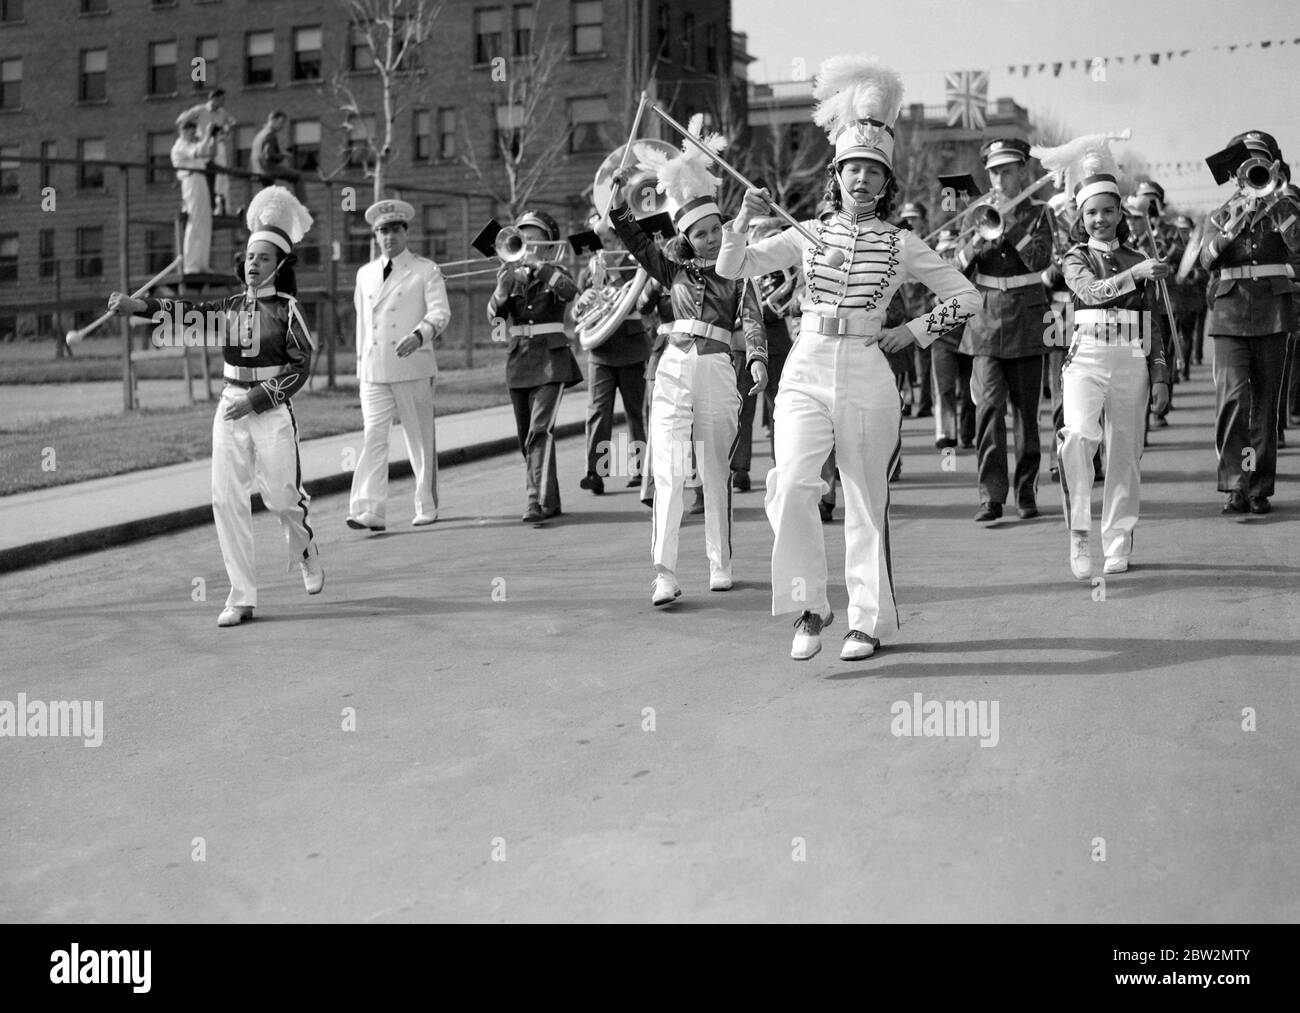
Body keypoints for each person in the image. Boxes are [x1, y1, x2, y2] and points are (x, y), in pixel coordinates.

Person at [720, 56, 980, 661]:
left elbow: (965, 295)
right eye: (851, 170)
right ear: (834, 177)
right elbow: (733, 269)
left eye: (872, 172)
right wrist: (742, 217)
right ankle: (810, 605)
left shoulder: (900, 242)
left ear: (885, 184)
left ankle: (868, 619)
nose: (861, 180)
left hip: (867, 365)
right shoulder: (803, 233)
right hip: (806, 363)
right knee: (790, 485)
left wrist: (912, 331)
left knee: (865, 497)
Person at [107, 187, 322, 627]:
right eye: (248, 257)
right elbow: (184, 313)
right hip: (229, 407)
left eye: (262, 258)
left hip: (271, 411)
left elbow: (301, 367)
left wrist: (257, 399)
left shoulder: (288, 310)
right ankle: (241, 596)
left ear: (279, 264)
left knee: (281, 497)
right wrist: (138, 307)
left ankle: (303, 546)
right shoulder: (227, 307)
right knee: (226, 500)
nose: (252, 263)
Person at [609, 115, 768, 606]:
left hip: (719, 369)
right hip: (674, 369)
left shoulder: (737, 270)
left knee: (715, 469)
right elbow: (633, 238)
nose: (712, 239)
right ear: (685, 236)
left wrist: (758, 358)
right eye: (701, 234)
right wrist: (617, 201)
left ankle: (720, 562)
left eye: (716, 229)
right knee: (669, 470)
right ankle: (665, 573)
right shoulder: (669, 266)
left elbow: (753, 317)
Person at [1047, 137, 1170, 578]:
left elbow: (1155, 323)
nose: (1100, 219)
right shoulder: (1074, 257)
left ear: (1121, 213)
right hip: (1087, 357)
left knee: (1124, 455)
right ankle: (1079, 537)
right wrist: (1135, 274)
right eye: (1091, 213)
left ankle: (1117, 542)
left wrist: (1160, 375)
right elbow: (1090, 293)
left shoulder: (1141, 256)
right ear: (1081, 219)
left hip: (1131, 358)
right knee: (1079, 438)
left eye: (1108, 210)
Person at [954, 137, 1055, 523]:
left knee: (1027, 414)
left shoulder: (1041, 212)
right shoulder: (975, 214)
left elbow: (1040, 259)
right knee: (989, 410)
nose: (1000, 178)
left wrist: (1008, 223)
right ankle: (990, 495)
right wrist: (978, 241)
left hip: (1028, 318)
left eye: (1007, 171)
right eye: (994, 171)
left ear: (1022, 172)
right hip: (984, 323)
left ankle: (1026, 492)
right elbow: (955, 268)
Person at [1199, 130, 1300, 515]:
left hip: (1273, 315)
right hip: (1229, 317)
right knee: (1234, 401)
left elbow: (1298, 246)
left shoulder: (1287, 205)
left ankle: (1258, 488)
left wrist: (1278, 202)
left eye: (1259, 161)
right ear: (1235, 172)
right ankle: (1235, 484)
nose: (1251, 169)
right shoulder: (1220, 213)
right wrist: (1230, 228)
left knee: (1265, 407)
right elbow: (1205, 261)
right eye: (1245, 163)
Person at [346, 199, 450, 531]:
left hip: (412, 365)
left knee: (419, 439)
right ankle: (370, 509)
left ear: (406, 231)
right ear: (375, 236)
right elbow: (362, 323)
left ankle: (427, 503)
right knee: (373, 437)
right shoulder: (365, 274)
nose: (388, 237)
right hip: (374, 370)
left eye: (394, 229)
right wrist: (360, 365)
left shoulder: (425, 269)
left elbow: (440, 313)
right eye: (382, 231)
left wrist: (420, 335)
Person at [487, 210, 583, 524]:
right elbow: (496, 323)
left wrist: (540, 269)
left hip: (552, 362)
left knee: (539, 431)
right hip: (518, 362)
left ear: (546, 242)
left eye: (533, 235)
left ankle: (534, 501)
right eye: (522, 234)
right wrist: (501, 292)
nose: (526, 241)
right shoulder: (510, 277)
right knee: (524, 437)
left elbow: (570, 292)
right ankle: (550, 500)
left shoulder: (553, 271)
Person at [574, 212, 650, 495]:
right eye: (598, 241)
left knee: (636, 411)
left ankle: (641, 468)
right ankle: (595, 471)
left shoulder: (634, 266)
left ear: (619, 238)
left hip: (631, 346)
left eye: (607, 239)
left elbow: (640, 303)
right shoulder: (587, 272)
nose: (602, 246)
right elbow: (577, 314)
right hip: (601, 350)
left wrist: (613, 273)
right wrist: (583, 303)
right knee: (597, 411)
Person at [930, 227, 976, 451]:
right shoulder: (931, 269)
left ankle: (968, 434)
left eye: (951, 251)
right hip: (942, 337)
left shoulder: (972, 267)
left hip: (970, 335)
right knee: (945, 388)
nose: (946, 256)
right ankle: (946, 433)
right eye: (942, 252)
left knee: (970, 391)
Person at [898, 201, 935, 419]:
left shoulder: (931, 240)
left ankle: (925, 403)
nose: (910, 222)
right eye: (907, 218)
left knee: (925, 359)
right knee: (905, 361)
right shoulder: (899, 240)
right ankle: (907, 401)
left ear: (923, 219)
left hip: (923, 304)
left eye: (914, 218)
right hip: (904, 304)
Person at [178, 88, 236, 215]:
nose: (223, 102)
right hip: (202, 147)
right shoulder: (200, 110)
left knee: (221, 175)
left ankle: (222, 206)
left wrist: (226, 131)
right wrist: (193, 132)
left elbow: (232, 123)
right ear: (214, 98)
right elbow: (181, 120)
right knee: (204, 175)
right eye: (221, 99)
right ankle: (197, 205)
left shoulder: (222, 112)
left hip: (217, 145)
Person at [170, 118, 215, 274]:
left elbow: (208, 154)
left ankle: (202, 263)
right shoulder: (180, 146)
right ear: (183, 131)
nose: (192, 134)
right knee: (195, 220)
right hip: (190, 180)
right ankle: (191, 264)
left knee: (205, 221)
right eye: (190, 131)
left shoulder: (191, 144)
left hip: (200, 179)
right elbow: (199, 152)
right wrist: (207, 134)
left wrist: (211, 137)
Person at [251, 111, 306, 201]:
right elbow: (269, 155)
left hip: (257, 169)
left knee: (269, 195)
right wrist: (283, 156)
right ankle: (303, 205)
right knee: (297, 176)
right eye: (281, 122)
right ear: (273, 120)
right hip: (267, 169)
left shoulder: (260, 134)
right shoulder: (270, 134)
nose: (282, 126)